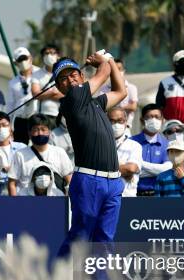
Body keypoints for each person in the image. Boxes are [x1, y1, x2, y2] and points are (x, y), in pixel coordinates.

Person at [51, 53, 127, 256]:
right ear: (59, 88)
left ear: (82, 77)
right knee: (80, 237)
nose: (70, 79)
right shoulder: (72, 100)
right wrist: (104, 61)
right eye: (64, 78)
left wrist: (110, 60)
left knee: (105, 239)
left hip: (113, 181)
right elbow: (103, 74)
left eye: (73, 74)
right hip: (88, 180)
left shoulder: (95, 103)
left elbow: (121, 91)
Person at [8, 114, 73, 196]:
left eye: (43, 129)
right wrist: (15, 205)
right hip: (26, 201)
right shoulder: (19, 154)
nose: (40, 133)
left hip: (55, 201)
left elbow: (70, 180)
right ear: (29, 133)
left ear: (49, 131)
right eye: (36, 130)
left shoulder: (59, 152)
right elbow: (12, 183)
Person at [131, 104, 171, 196]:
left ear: (162, 120)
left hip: (159, 195)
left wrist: (140, 164)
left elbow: (167, 170)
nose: (154, 120)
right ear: (142, 120)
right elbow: (128, 170)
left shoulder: (167, 144)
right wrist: (157, 171)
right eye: (149, 117)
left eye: (157, 117)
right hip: (134, 194)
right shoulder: (131, 142)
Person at [0, 111, 26, 195]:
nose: (1, 128)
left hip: (19, 193)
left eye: (4, 125)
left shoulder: (22, 148)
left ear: (10, 128)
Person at [7, 47, 39, 144]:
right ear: (15, 63)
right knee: (20, 148)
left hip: (37, 118)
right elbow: (10, 105)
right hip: (20, 121)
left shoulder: (40, 74)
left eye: (25, 58)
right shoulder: (13, 82)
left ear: (30, 58)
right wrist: (8, 125)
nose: (23, 61)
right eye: (20, 60)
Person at [108, 107, 142, 197]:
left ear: (126, 122)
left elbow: (131, 169)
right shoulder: (98, 145)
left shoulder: (135, 146)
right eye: (112, 121)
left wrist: (104, 170)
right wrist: (123, 170)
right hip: (105, 199)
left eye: (120, 121)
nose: (116, 124)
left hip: (127, 197)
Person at [98, 59, 139, 130]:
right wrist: (124, 107)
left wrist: (115, 109)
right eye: (114, 69)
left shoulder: (131, 88)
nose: (117, 71)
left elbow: (133, 106)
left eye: (119, 69)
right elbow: (101, 107)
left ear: (124, 71)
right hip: (108, 127)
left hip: (126, 127)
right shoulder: (103, 89)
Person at [31, 44, 63, 124]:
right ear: (42, 57)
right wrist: (53, 92)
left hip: (61, 115)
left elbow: (67, 95)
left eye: (52, 53)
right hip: (43, 115)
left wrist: (44, 94)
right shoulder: (36, 74)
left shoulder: (63, 73)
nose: (49, 55)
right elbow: (35, 94)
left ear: (58, 56)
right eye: (46, 53)